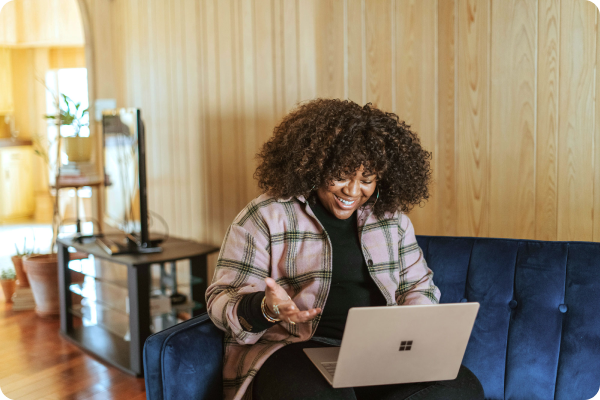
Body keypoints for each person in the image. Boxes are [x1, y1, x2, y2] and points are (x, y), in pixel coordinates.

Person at [206, 99, 484, 400]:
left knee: (461, 388)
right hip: (293, 350)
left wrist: (410, 333)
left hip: (378, 353)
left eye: (366, 180)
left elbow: (418, 287)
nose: (352, 192)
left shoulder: (393, 221)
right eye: (340, 176)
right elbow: (221, 300)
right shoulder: (266, 216)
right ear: (315, 166)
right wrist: (266, 307)